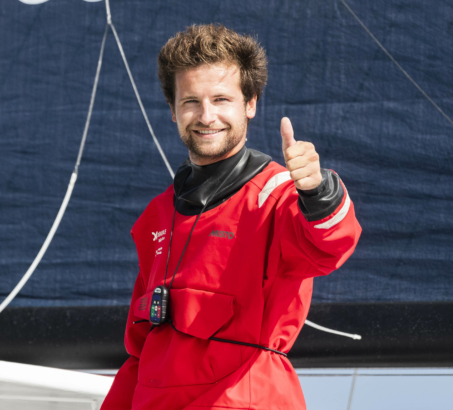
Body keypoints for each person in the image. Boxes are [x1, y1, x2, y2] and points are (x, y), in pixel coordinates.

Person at [101, 23, 361, 410]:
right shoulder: (157, 215)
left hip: (245, 397)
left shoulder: (279, 194)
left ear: (250, 104)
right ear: (173, 110)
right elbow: (141, 351)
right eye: (191, 102)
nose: (206, 116)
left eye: (221, 99)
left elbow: (328, 245)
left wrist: (319, 191)